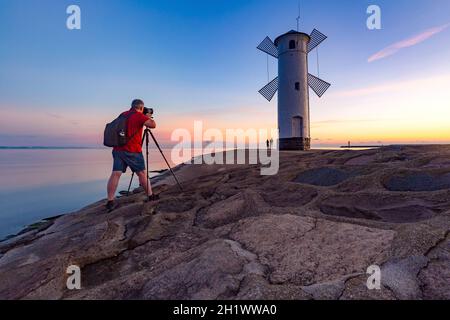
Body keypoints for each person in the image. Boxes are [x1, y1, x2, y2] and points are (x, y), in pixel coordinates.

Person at [106, 99, 157, 212]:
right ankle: (150, 195)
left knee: (115, 174)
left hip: (118, 149)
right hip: (132, 150)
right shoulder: (139, 116)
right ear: (141, 108)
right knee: (142, 173)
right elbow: (153, 125)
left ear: (132, 106)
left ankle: (110, 201)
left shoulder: (123, 114)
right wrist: (147, 116)